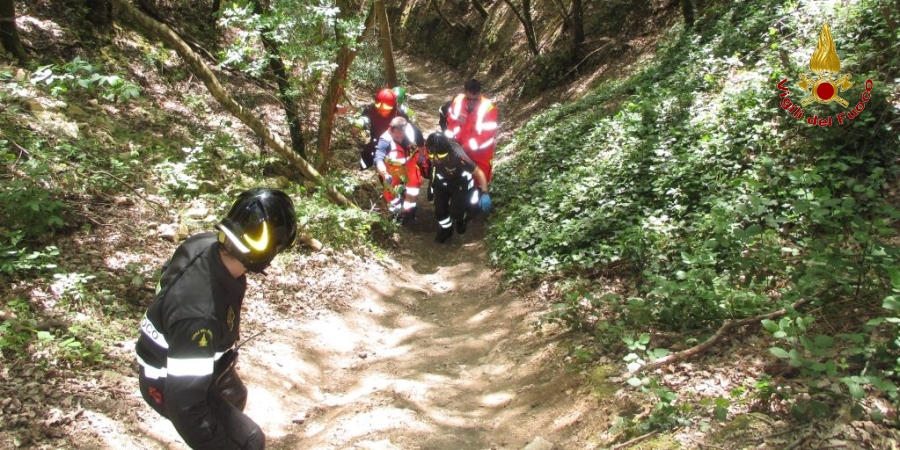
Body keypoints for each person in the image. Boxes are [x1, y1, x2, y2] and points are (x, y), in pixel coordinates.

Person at [135, 188, 298, 450]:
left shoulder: (201, 244)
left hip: (191, 360)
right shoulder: (199, 316)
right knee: (249, 440)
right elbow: (184, 404)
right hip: (166, 380)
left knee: (234, 395)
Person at [425, 132, 490, 243]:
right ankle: (447, 229)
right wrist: (431, 186)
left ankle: (461, 218)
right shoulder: (432, 149)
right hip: (442, 183)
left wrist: (484, 193)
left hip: (459, 183)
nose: (436, 159)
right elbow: (434, 169)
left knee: (456, 213)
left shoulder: (458, 156)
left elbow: (478, 173)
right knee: (439, 212)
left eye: (440, 156)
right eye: (432, 155)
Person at [444, 79, 499, 197]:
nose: (472, 103)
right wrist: (450, 141)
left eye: (475, 100)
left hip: (481, 152)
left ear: (480, 94)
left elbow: (486, 135)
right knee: (458, 173)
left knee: (480, 177)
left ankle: (477, 199)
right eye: (469, 99)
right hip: (459, 146)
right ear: (464, 93)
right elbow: (451, 122)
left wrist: (466, 147)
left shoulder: (488, 108)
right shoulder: (458, 101)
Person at [374, 117, 423, 226]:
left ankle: (410, 212)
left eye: (402, 135)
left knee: (413, 187)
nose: (400, 138)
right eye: (397, 136)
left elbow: (420, 142)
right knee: (390, 193)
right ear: (391, 130)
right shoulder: (385, 140)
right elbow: (378, 159)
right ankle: (395, 213)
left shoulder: (412, 131)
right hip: (392, 168)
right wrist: (385, 174)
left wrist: (422, 155)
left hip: (410, 163)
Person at [350, 88, 410, 170]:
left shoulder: (400, 113)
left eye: (386, 109)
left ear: (393, 106)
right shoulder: (371, 109)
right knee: (366, 154)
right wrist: (358, 126)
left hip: (395, 145)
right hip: (376, 142)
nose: (382, 111)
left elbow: (408, 129)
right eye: (379, 108)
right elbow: (364, 118)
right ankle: (363, 171)